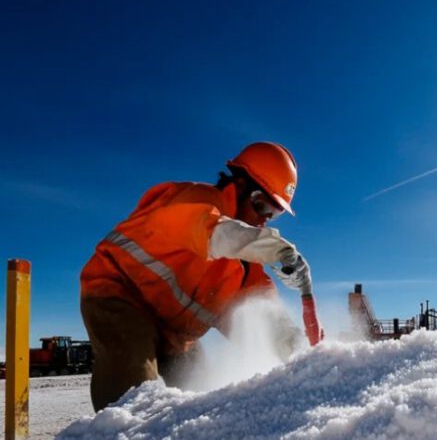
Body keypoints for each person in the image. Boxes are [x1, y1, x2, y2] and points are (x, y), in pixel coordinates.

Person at [79, 142, 321, 411]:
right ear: (238, 186)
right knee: (135, 396)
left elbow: (267, 320)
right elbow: (215, 232)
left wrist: (304, 353)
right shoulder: (195, 200)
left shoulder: (245, 269)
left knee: (200, 400)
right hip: (121, 296)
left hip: (176, 335)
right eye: (262, 205)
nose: (264, 220)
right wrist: (271, 247)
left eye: (273, 214)